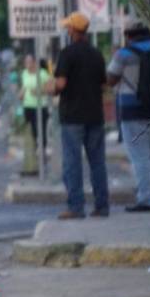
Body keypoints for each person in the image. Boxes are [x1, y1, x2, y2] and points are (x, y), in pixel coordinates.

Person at [50, 11, 110, 219]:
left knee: (73, 162)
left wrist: (51, 89)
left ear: (73, 31)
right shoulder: (96, 53)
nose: (67, 30)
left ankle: (76, 207)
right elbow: (104, 84)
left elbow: (61, 84)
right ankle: (102, 206)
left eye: (68, 27)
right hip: (95, 115)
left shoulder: (67, 53)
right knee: (97, 162)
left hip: (72, 116)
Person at [106, 21, 150, 212]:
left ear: (128, 36)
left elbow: (110, 79)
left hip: (133, 112)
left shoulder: (124, 54)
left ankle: (146, 198)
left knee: (140, 157)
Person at [18, 54, 51, 152]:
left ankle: (42, 150)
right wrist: (21, 93)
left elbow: (50, 88)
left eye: (29, 62)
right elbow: (24, 86)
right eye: (26, 62)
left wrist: (40, 91)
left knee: (40, 128)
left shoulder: (42, 73)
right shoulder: (24, 73)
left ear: (34, 63)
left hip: (41, 106)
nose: (27, 64)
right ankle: (35, 149)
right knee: (32, 129)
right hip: (28, 105)